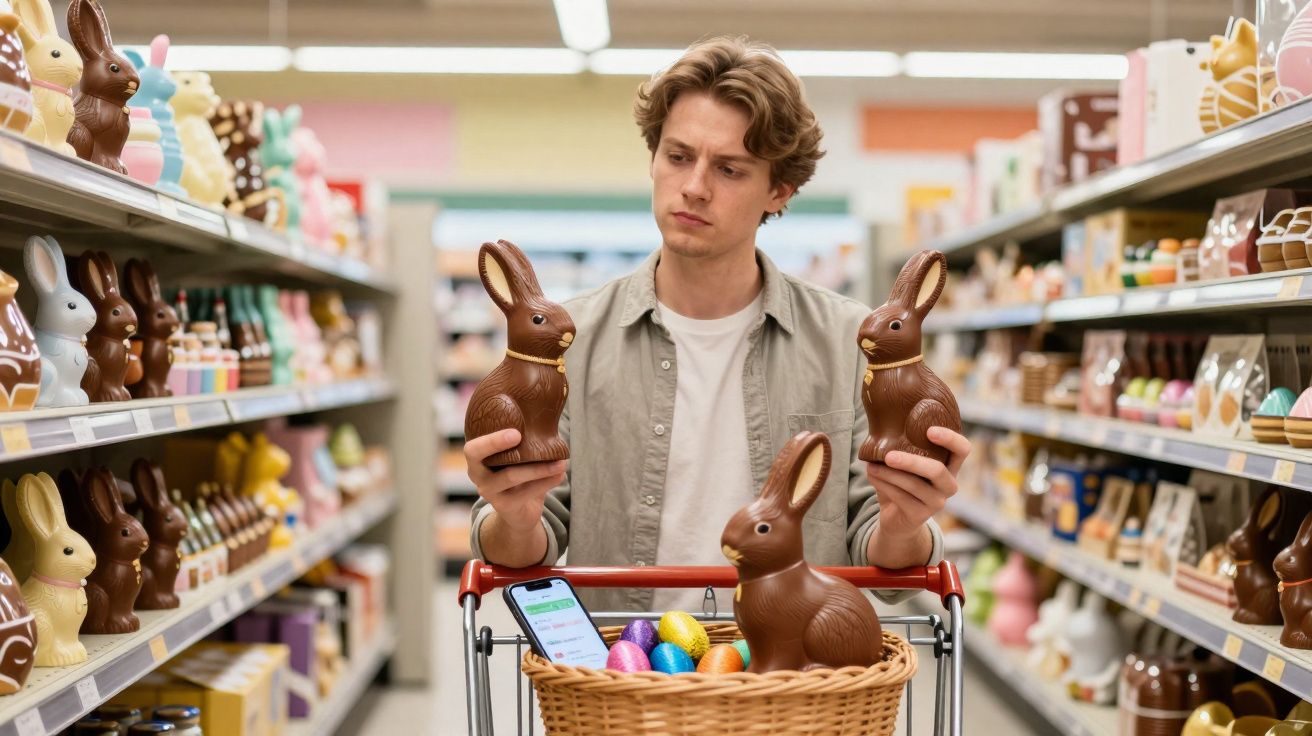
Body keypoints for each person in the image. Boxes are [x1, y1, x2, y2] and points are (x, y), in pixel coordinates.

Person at [467, 35, 970, 612]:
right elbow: (523, 551)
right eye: (678, 156)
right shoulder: (566, 342)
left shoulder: (851, 345)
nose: (694, 187)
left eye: (729, 169)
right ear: (654, 159)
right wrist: (513, 516)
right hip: (617, 681)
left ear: (778, 190)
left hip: (790, 682)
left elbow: (881, 569)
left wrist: (906, 524)